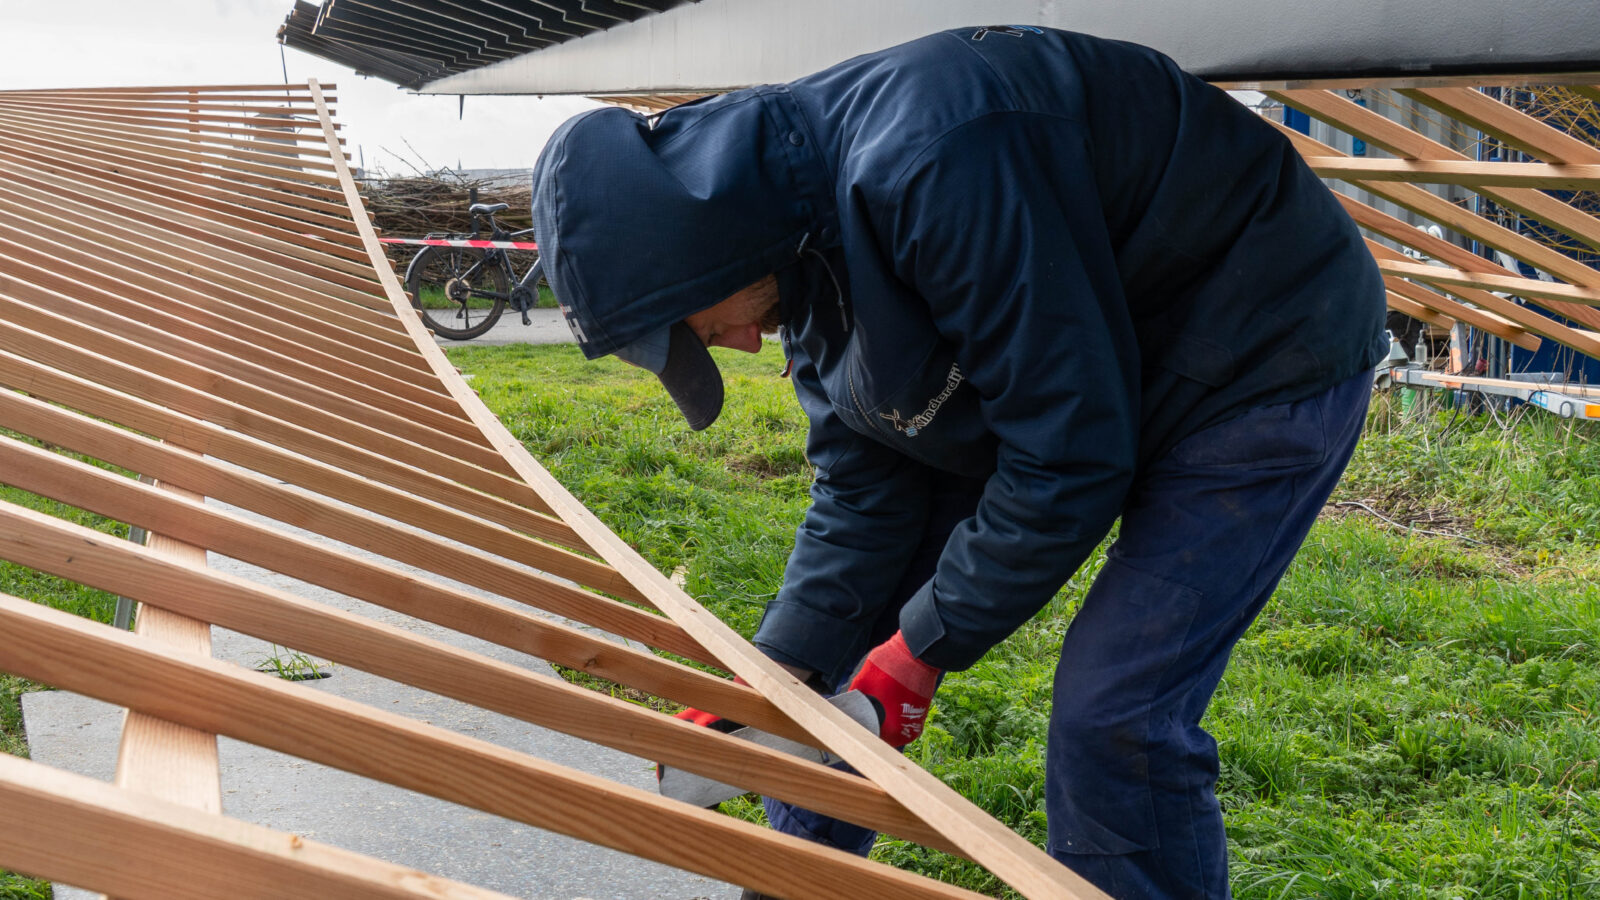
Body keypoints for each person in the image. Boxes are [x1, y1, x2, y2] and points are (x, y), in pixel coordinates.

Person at [532, 25, 1385, 899]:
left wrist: (927, 644)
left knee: (1114, 714)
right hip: (1098, 359)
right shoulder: (794, 245)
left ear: (702, 250)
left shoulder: (938, 164)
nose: (745, 344)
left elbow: (1070, 451)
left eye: (710, 327)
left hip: (1259, 348)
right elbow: (864, 483)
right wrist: (782, 668)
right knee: (833, 662)